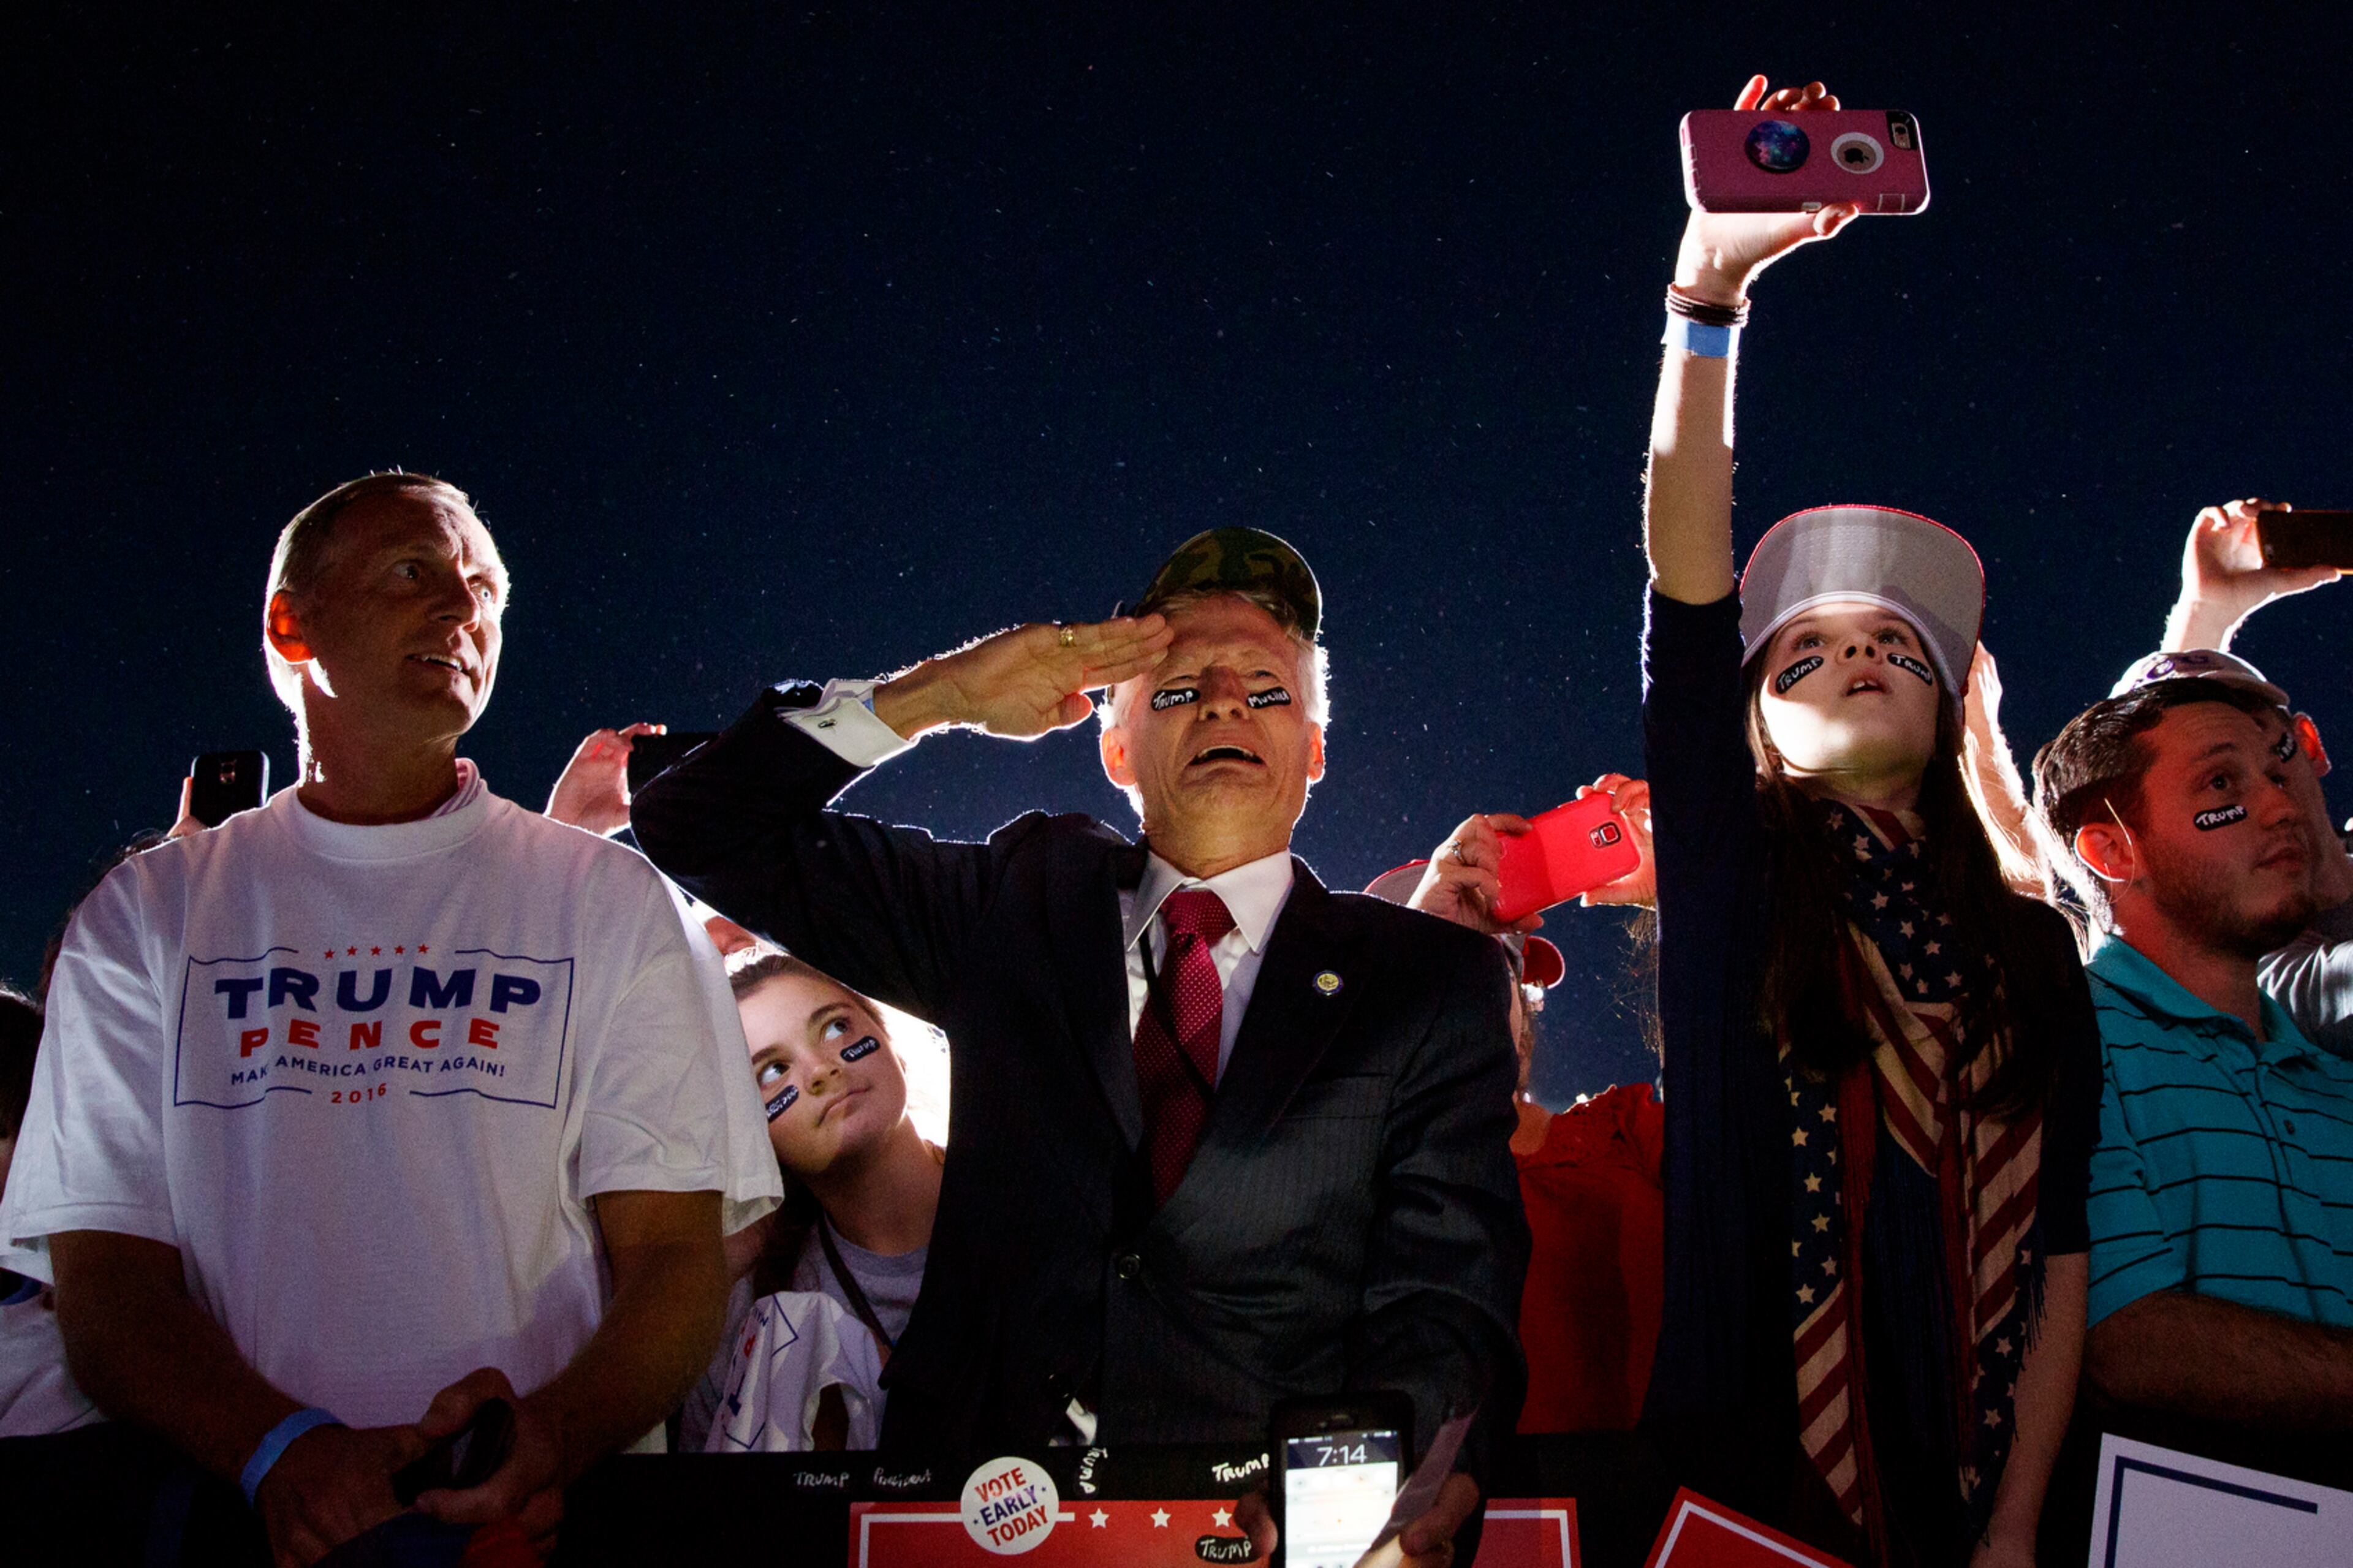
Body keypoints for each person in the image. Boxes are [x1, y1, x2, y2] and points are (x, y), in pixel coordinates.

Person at [632, 525, 1527, 1566]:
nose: (1228, 701)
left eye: (1268, 687)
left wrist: (1375, 1474)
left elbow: (1445, 1295)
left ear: (1317, 752)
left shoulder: (1429, 982)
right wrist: (941, 696)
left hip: (1262, 1536)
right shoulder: (1015, 900)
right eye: (1181, 685)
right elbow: (695, 822)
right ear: (1114, 745)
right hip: (977, 1524)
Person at [0, 472, 779, 1564]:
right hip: (245, 1528)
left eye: (486, 590)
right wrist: (283, 1453)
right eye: (416, 571)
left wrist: (548, 1434)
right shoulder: (146, 918)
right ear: (290, 620)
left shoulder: (608, 900)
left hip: (538, 1534)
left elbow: (674, 1254)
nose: (464, 611)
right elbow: (104, 1278)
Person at [1635, 76, 2101, 1567]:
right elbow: (1686, 573)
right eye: (1806, 646)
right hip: (1734, 1490)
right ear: (1748, 715)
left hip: (1975, 1495)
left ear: (1951, 714)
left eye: (1901, 646)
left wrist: (2015, 1527)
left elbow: (2059, 1253)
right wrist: (1705, 295)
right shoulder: (1730, 875)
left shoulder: (2028, 947)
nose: (1856, 652)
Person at [2030, 678, 2353, 1469]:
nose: (2281, 807)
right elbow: (2125, 1344)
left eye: (2278, 775)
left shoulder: (2337, 1083)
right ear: (2111, 849)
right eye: (2221, 784)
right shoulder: (2067, 1042)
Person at [1366, 780, 1665, 1436]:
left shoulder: (1626, 1137)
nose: (1456, 989)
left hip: (1648, 1525)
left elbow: (1779, 1096)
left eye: (1482, 960)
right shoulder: (1323, 1177)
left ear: (1523, 1000)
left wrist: (1692, 892)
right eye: (1429, 957)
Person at [677, 953, 944, 1452]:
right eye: (772, 1071)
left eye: (835, 1027)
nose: (821, 1069)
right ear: (750, 1132)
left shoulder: (1028, 1207)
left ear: (894, 1044)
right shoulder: (753, 1304)